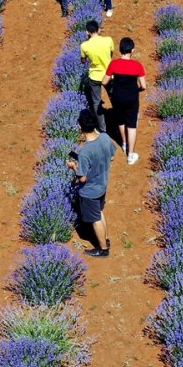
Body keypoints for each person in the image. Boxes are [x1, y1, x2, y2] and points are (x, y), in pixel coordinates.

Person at [67, 110, 116, 257]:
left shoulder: (85, 151)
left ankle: (103, 249)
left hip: (90, 191)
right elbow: (111, 157)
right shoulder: (105, 138)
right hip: (102, 184)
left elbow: (82, 178)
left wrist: (73, 166)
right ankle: (105, 240)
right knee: (99, 212)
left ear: (80, 127)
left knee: (94, 219)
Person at [102, 38, 146, 165]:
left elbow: (104, 82)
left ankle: (124, 144)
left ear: (120, 49)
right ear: (132, 50)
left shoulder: (113, 64)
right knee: (131, 125)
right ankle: (130, 155)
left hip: (117, 97)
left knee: (120, 120)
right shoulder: (137, 66)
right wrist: (136, 89)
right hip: (131, 98)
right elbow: (143, 86)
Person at [79, 19, 113, 133]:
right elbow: (111, 54)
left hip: (94, 76)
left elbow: (83, 61)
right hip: (109, 75)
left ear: (87, 32)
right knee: (113, 98)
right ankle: (119, 120)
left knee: (97, 102)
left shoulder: (84, 45)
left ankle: (102, 129)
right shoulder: (108, 40)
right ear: (98, 30)